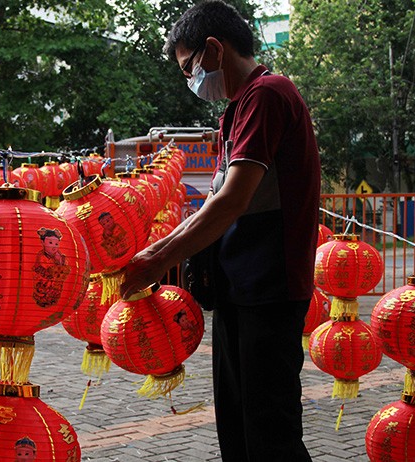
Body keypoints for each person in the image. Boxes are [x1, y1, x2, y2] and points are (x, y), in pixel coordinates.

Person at [119, 1, 320, 460]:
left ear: (214, 49)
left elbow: (232, 200)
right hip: (242, 287)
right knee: (239, 424)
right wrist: (156, 252)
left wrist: (157, 260)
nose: (191, 81)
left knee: (270, 432)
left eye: (189, 67)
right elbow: (215, 200)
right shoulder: (238, 108)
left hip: (270, 286)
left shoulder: (268, 94)